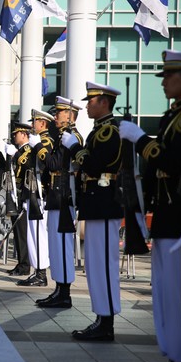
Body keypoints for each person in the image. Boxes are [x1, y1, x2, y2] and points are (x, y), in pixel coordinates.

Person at [119, 50, 181, 362]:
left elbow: (173, 161)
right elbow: (155, 169)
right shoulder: (175, 116)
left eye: (170, 76)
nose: (163, 83)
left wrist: (141, 141)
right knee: (167, 292)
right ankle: (176, 350)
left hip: (180, 217)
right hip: (166, 216)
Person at [62, 81, 123, 341]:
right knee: (95, 265)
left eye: (91, 100)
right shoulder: (99, 131)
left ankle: (106, 322)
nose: (87, 105)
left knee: (104, 265)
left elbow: (97, 165)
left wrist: (75, 149)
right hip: (96, 203)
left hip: (105, 202)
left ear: (105, 102)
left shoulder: (109, 131)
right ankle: (101, 316)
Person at [37, 97, 84, 308]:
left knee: (63, 246)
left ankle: (65, 293)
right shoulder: (63, 136)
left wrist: (40, 149)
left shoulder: (72, 137)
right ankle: (58, 289)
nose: (55, 116)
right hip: (56, 196)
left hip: (65, 197)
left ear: (70, 115)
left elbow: (54, 163)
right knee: (55, 245)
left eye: (60, 113)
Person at [16, 110, 54, 287]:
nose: (32, 125)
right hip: (31, 193)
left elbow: (46, 163)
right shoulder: (35, 141)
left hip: (40, 194)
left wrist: (35, 147)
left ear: (43, 123)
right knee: (33, 235)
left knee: (38, 235)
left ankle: (41, 273)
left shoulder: (46, 142)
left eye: (35, 122)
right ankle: (37, 271)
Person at [5, 122, 33, 277]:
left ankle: (25, 264)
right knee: (18, 231)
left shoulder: (28, 149)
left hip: (23, 193)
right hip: (16, 193)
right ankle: (21, 262)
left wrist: (15, 155)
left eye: (16, 134)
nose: (14, 136)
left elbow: (30, 166)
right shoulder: (19, 150)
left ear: (24, 134)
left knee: (22, 231)